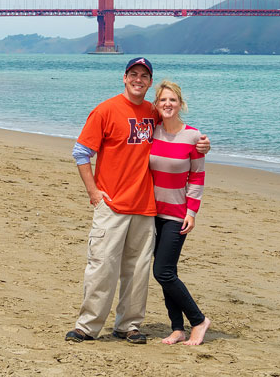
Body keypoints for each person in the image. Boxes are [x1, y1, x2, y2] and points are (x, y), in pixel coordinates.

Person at [66, 57, 209, 345]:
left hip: (146, 207)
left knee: (137, 271)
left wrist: (201, 144)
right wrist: (93, 192)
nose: (138, 79)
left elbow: (176, 129)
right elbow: (81, 153)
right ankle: (88, 326)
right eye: (134, 74)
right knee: (102, 266)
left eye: (144, 75)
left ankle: (129, 325)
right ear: (124, 78)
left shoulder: (152, 112)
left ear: (149, 82)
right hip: (113, 204)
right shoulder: (106, 110)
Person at [150, 80, 211, 345]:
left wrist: (192, 212)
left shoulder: (194, 137)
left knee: (162, 272)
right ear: (157, 104)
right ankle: (177, 328)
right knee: (168, 271)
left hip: (177, 215)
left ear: (180, 104)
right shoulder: (151, 132)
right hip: (151, 212)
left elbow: (197, 176)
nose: (167, 104)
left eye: (172, 100)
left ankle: (198, 320)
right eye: (163, 100)